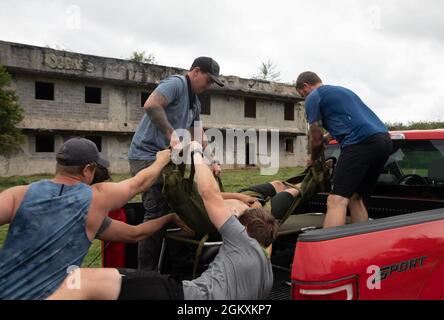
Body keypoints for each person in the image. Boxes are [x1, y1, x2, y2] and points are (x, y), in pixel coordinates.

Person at [48, 141, 278, 300]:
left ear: (245, 229)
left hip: (182, 295)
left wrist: (192, 153)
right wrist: (168, 217)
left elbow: (208, 193)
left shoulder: (240, 239)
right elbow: (133, 233)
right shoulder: (267, 269)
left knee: (82, 280)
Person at [0, 138, 190, 300]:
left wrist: (167, 218)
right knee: (151, 285)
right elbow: (139, 184)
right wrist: (161, 159)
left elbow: (134, 234)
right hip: (51, 295)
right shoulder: (95, 199)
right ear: (87, 169)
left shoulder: (18, 194)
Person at [128, 57, 224, 271]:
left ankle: (170, 269)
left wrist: (212, 160)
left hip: (167, 160)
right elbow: (151, 104)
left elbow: (199, 134)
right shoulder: (176, 84)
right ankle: (146, 274)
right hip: (146, 156)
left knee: (178, 210)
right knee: (156, 215)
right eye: (208, 80)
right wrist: (171, 134)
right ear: (196, 71)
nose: (208, 86)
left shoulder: (195, 102)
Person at [296, 71, 393, 228]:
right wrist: (329, 137)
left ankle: (329, 250)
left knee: (336, 200)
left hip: (360, 143)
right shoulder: (343, 91)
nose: (304, 98)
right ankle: (361, 243)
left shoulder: (313, 97)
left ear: (305, 86)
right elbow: (351, 120)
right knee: (355, 197)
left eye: (302, 95)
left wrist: (313, 159)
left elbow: (315, 138)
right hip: (384, 140)